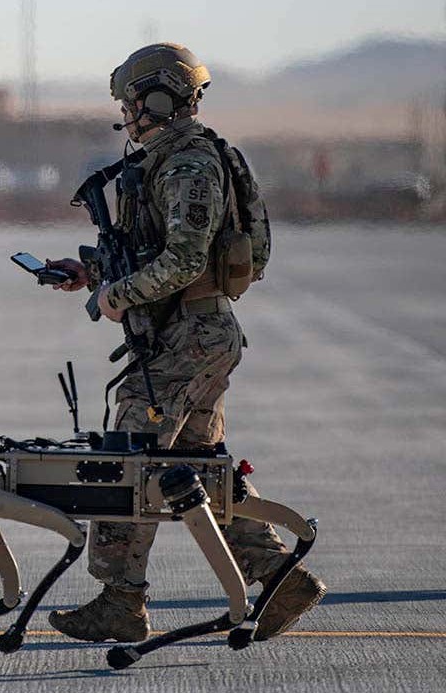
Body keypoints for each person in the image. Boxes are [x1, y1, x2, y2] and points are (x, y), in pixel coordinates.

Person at [43, 43, 326, 643]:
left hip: (190, 338)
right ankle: (281, 579)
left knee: (128, 463)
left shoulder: (188, 166)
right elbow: (161, 256)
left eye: (131, 103)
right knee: (197, 469)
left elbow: (185, 261)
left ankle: (121, 601)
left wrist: (116, 296)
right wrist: (93, 275)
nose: (126, 115)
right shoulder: (169, 161)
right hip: (191, 335)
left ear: (159, 99)